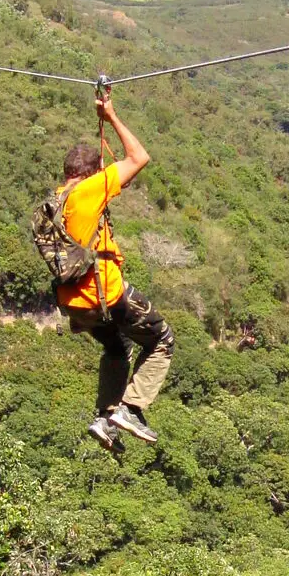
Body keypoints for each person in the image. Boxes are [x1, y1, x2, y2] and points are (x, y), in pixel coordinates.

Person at [55, 88, 172, 452]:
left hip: (74, 304)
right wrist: (112, 118)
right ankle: (131, 408)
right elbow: (139, 157)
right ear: (92, 175)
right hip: (105, 295)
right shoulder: (90, 191)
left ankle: (105, 418)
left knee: (118, 348)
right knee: (162, 340)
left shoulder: (61, 199)